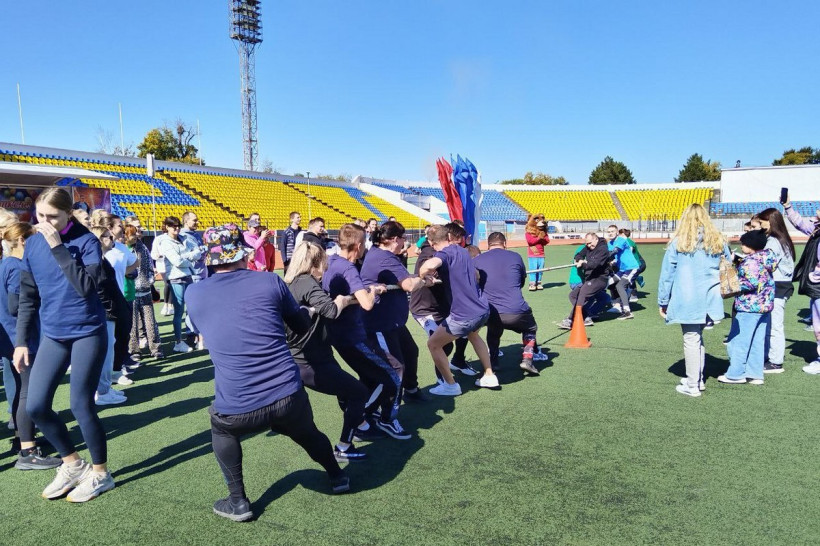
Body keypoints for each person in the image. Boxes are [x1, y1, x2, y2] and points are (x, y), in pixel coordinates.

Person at [186, 224, 349, 522]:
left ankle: (238, 502)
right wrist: (307, 311)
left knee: (221, 430)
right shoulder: (269, 281)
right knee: (308, 433)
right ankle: (337, 476)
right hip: (287, 394)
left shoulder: (193, 292)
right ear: (243, 253)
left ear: (210, 258)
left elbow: (205, 328)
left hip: (237, 404)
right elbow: (299, 326)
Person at [14, 187, 113, 502]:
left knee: (80, 405)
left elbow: (86, 288)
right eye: (40, 215)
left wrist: (58, 247)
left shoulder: (87, 242)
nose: (44, 222)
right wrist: (20, 342)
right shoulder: (32, 243)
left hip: (87, 332)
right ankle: (72, 464)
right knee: (35, 405)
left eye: (52, 216)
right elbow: (28, 296)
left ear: (69, 214)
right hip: (53, 335)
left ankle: (101, 474)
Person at [284, 241, 370, 462]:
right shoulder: (307, 282)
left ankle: (362, 424)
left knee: (346, 392)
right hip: (310, 362)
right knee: (358, 392)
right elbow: (331, 310)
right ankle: (344, 447)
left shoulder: (291, 282)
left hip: (311, 356)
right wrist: (342, 300)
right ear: (316, 263)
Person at [323, 224, 410, 441]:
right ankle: (370, 418)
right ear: (359, 245)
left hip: (338, 335)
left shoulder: (331, 262)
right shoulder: (348, 268)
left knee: (373, 376)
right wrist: (373, 290)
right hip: (351, 336)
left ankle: (363, 416)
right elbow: (367, 303)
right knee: (395, 371)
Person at [0, 222, 62, 470]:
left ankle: (22, 438)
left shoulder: (5, 264)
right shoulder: (16, 267)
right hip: (21, 338)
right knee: (27, 390)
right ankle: (28, 451)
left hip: (12, 337)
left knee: (20, 389)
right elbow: (17, 306)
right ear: (23, 241)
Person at [657, 204, 730, 397]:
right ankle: (697, 379)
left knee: (691, 338)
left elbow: (667, 275)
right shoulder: (718, 240)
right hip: (710, 298)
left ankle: (692, 385)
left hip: (688, 297)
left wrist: (663, 301)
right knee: (697, 337)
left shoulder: (679, 242)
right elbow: (728, 265)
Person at [360, 221, 432, 417]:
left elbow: (403, 279)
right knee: (395, 367)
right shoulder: (384, 257)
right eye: (402, 238)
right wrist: (423, 279)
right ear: (393, 239)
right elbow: (409, 285)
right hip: (381, 323)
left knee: (410, 351)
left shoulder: (385, 255)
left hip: (393, 321)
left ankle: (411, 390)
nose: (404, 242)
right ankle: (384, 413)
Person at [419, 224, 500, 396]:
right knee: (473, 335)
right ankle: (489, 375)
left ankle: (451, 385)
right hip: (482, 309)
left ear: (432, 243)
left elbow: (429, 265)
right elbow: (476, 274)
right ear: (449, 237)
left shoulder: (442, 254)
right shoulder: (462, 251)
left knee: (433, 344)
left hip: (464, 315)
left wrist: (422, 275)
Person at [473, 232, 547, 376]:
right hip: (516, 310)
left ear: (488, 245)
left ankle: (493, 362)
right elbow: (521, 282)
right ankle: (527, 359)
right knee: (531, 327)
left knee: (493, 331)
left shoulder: (477, 260)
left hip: (490, 311)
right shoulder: (516, 257)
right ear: (505, 244)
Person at [410, 227, 478, 378]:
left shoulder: (455, 252)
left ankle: (458, 362)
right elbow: (426, 268)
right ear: (448, 237)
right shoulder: (430, 253)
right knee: (441, 344)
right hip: (424, 309)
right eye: (456, 238)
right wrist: (426, 276)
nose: (459, 242)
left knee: (465, 332)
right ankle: (444, 382)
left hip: (443, 306)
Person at [718, 230, 776, 386]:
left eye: (743, 244)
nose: (742, 246)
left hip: (748, 306)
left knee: (739, 341)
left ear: (751, 246)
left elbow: (750, 282)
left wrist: (731, 281)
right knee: (757, 341)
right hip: (764, 306)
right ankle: (755, 373)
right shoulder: (766, 257)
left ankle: (736, 374)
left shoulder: (750, 262)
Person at [89, 226, 131, 404]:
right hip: (105, 313)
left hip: (110, 311)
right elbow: (99, 289)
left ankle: (105, 388)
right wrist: (109, 309)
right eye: (106, 236)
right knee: (104, 353)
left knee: (109, 350)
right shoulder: (95, 261)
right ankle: (102, 392)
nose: (111, 238)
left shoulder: (102, 259)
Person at [752, 208, 795, 374]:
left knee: (774, 325)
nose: (761, 225)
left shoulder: (773, 241)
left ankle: (776, 362)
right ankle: (771, 357)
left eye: (762, 222)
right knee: (772, 324)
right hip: (782, 284)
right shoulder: (781, 238)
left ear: (771, 222)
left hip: (777, 285)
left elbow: (766, 262)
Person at [783, 199, 820, 375]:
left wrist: (814, 275)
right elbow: (800, 223)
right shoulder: (817, 229)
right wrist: (787, 206)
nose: (817, 211)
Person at [158, 216, 204, 353]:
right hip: (176, 278)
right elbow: (177, 261)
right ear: (167, 227)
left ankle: (196, 337)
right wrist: (190, 258)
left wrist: (187, 257)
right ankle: (178, 342)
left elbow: (198, 252)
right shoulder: (165, 242)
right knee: (179, 311)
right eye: (173, 226)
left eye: (178, 225)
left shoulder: (183, 238)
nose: (176, 228)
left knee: (193, 308)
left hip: (188, 275)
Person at [126, 223, 163, 362]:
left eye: (138, 232)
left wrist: (150, 279)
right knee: (133, 323)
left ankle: (156, 348)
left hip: (145, 289)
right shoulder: (122, 249)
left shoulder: (143, 247)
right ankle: (134, 350)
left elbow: (149, 266)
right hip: (130, 291)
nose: (137, 235)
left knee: (150, 321)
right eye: (133, 233)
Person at [558, 233, 611, 329]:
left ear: (596, 239)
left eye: (590, 243)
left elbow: (594, 265)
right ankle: (586, 316)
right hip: (590, 278)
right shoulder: (587, 247)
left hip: (599, 279)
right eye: (587, 243)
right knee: (573, 295)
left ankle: (571, 320)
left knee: (582, 294)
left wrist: (583, 264)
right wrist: (579, 260)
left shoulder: (603, 249)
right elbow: (578, 255)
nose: (589, 245)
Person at [605, 224, 640, 319]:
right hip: (621, 269)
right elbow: (610, 256)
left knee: (620, 286)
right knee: (608, 282)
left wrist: (604, 259)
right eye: (608, 232)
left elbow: (615, 251)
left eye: (612, 231)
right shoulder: (609, 243)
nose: (610, 233)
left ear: (617, 232)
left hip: (631, 267)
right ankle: (616, 306)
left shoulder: (621, 240)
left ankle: (627, 311)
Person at [525, 213, 549, 291]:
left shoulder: (543, 233)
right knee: (533, 270)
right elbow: (530, 241)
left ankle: (539, 283)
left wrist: (543, 238)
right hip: (532, 255)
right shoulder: (528, 233)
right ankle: (532, 284)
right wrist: (539, 238)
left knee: (540, 270)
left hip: (541, 255)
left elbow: (547, 241)